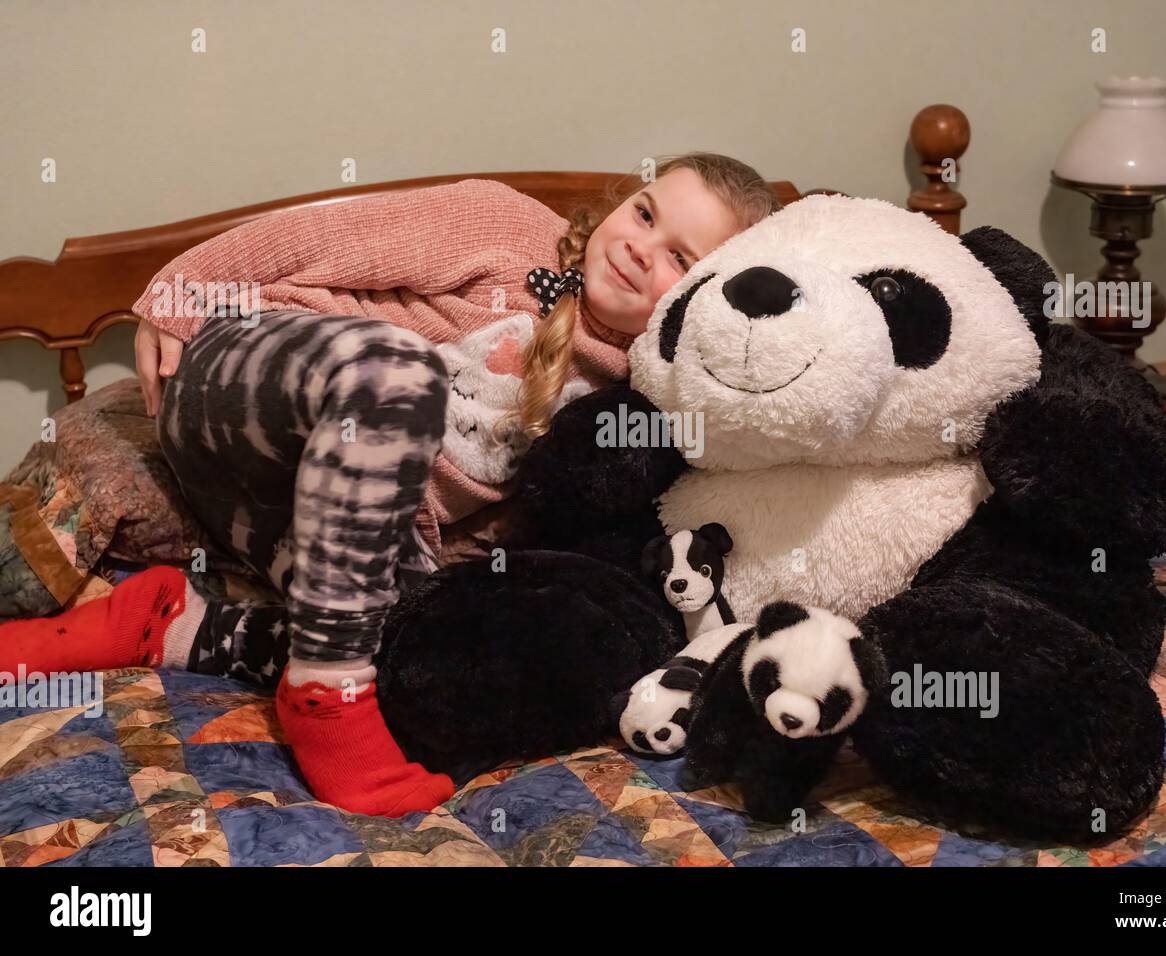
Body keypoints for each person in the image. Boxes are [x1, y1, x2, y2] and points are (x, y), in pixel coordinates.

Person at [0, 154, 783, 816]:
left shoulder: (650, 390)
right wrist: (179, 294)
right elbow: (318, 232)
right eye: (644, 214)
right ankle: (326, 702)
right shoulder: (507, 227)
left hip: (308, 506)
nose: (644, 249)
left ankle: (172, 624)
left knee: (428, 655)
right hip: (250, 382)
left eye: (681, 257)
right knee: (400, 376)